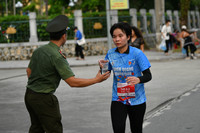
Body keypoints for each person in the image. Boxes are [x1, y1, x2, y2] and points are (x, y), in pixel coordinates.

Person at [24, 15, 110, 133]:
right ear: (64, 36)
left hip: (29, 95)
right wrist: (96, 79)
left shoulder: (39, 50)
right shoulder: (57, 56)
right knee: (54, 129)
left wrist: (38, 83)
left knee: (36, 128)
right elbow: (72, 82)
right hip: (44, 98)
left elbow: (28, 71)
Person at [99, 22, 152, 133]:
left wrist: (138, 79)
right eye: (114, 36)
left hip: (137, 100)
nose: (117, 39)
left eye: (120, 36)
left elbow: (148, 75)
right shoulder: (110, 53)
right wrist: (102, 67)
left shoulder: (137, 53)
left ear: (128, 37)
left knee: (136, 130)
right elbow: (105, 73)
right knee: (118, 129)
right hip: (118, 98)